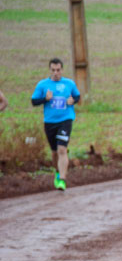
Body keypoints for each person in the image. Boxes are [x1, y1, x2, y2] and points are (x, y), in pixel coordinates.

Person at [30, 58, 81, 191]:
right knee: (54, 153)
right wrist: (45, 99)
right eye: (53, 70)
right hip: (50, 122)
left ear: (62, 70)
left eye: (58, 70)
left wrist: (72, 101)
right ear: (50, 70)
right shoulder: (43, 85)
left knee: (62, 150)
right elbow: (34, 101)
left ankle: (62, 180)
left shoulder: (69, 83)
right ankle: (57, 173)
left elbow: (77, 96)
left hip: (65, 120)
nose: (56, 73)